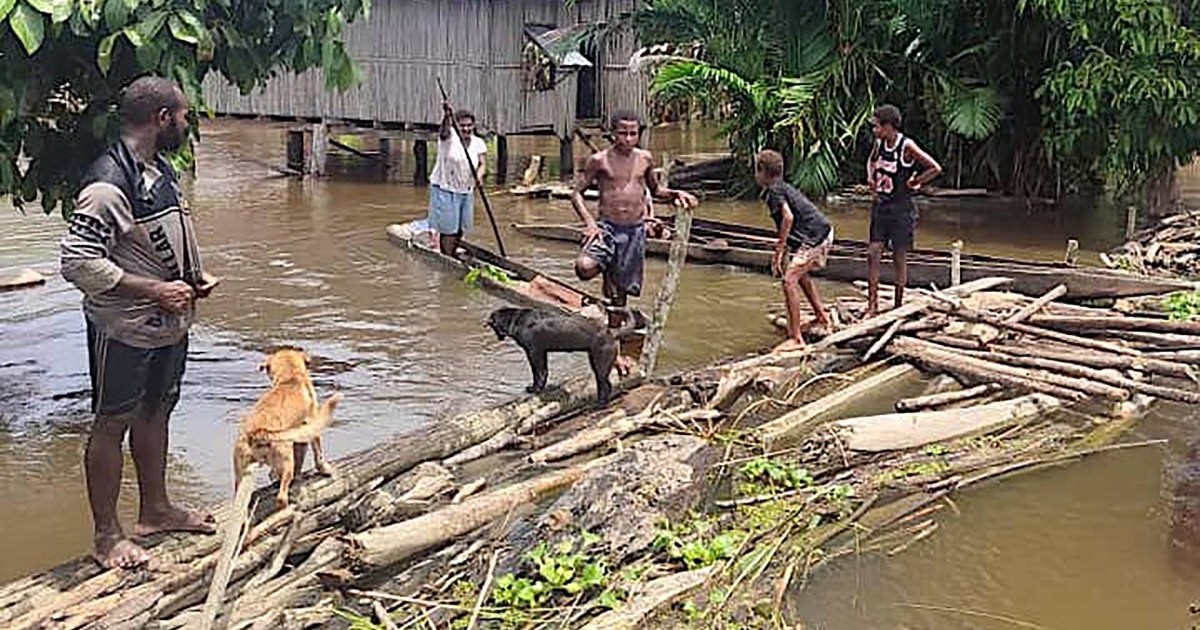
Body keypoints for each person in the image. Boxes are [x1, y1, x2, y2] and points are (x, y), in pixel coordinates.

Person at [60, 75, 220, 569]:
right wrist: (154, 289)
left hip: (168, 323)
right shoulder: (109, 182)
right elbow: (78, 262)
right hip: (124, 326)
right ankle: (107, 536)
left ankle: (156, 509)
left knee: (157, 409)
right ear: (162, 119)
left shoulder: (158, 167)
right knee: (112, 422)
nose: (186, 124)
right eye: (184, 116)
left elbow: (158, 238)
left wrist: (193, 277)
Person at [569, 110, 698, 370]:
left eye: (633, 133)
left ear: (639, 134)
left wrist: (676, 194)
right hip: (606, 228)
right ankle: (606, 270)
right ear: (612, 133)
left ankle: (613, 354)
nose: (628, 138)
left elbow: (656, 191)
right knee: (584, 267)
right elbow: (577, 194)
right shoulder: (599, 160)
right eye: (622, 133)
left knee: (620, 298)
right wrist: (590, 223)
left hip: (633, 232)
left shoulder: (645, 159)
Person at [865, 104, 942, 317]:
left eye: (877, 127)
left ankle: (898, 305)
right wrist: (871, 179)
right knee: (873, 253)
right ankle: (873, 305)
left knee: (899, 257)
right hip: (881, 206)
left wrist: (916, 181)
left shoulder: (906, 146)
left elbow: (934, 167)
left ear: (889, 127)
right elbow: (871, 162)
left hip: (901, 209)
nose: (874, 131)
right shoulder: (879, 144)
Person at [754, 150, 834, 352]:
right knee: (801, 275)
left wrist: (779, 250)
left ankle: (796, 338)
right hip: (821, 231)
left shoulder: (774, 191)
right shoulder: (781, 187)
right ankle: (821, 317)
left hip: (815, 236)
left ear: (762, 172)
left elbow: (788, 218)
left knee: (789, 280)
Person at [429, 102, 487, 257]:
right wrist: (447, 116)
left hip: (466, 189)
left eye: (469, 125)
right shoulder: (448, 138)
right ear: (456, 126)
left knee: (462, 226)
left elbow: (482, 164)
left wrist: (479, 177)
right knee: (449, 228)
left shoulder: (478, 142)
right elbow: (443, 131)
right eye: (462, 126)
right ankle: (447, 256)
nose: (466, 129)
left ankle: (452, 251)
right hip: (446, 188)